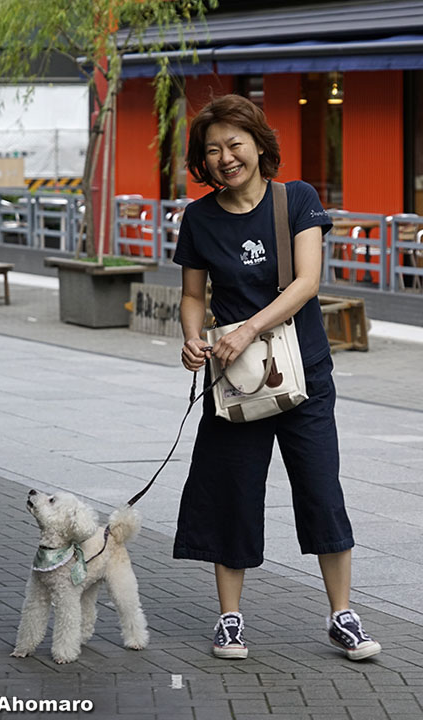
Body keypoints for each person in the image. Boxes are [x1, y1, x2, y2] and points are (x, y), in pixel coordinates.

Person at [172, 94, 381, 662]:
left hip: (303, 374)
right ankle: (230, 619)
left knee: (321, 490)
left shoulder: (298, 199)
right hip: (234, 380)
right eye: (212, 150)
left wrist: (247, 330)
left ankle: (342, 615)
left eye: (234, 145)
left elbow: (307, 281)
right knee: (233, 493)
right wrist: (192, 337)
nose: (225, 158)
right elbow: (193, 296)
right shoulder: (200, 218)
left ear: (259, 145)